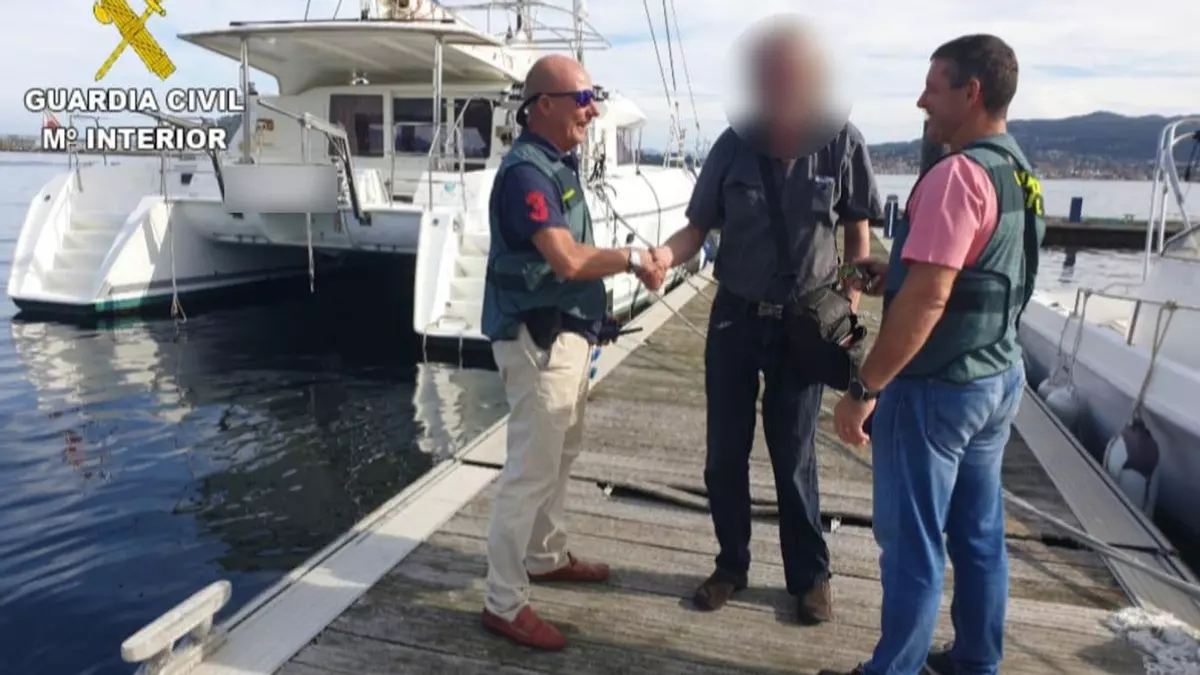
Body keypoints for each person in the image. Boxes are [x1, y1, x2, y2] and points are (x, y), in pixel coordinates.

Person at [824, 34, 1045, 675]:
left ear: (971, 92)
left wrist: (864, 389)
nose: (921, 101)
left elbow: (929, 299)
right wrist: (892, 270)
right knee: (979, 534)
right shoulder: (1019, 173)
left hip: (938, 389)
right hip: (997, 378)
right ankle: (976, 660)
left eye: (933, 87)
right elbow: (978, 271)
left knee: (912, 541)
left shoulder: (955, 176)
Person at [647, 19, 882, 623]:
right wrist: (664, 258)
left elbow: (859, 236)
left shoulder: (842, 143)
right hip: (736, 317)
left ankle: (811, 577)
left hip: (807, 322)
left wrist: (848, 306)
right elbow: (696, 229)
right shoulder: (733, 145)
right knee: (724, 453)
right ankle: (731, 565)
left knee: (794, 453)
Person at [478, 53, 665, 651]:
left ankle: (544, 554)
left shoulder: (557, 162)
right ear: (544, 106)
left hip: (566, 337)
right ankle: (503, 602)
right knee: (530, 472)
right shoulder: (527, 174)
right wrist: (633, 259)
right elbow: (565, 259)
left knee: (560, 454)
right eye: (583, 99)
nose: (593, 110)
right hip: (539, 342)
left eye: (594, 97)